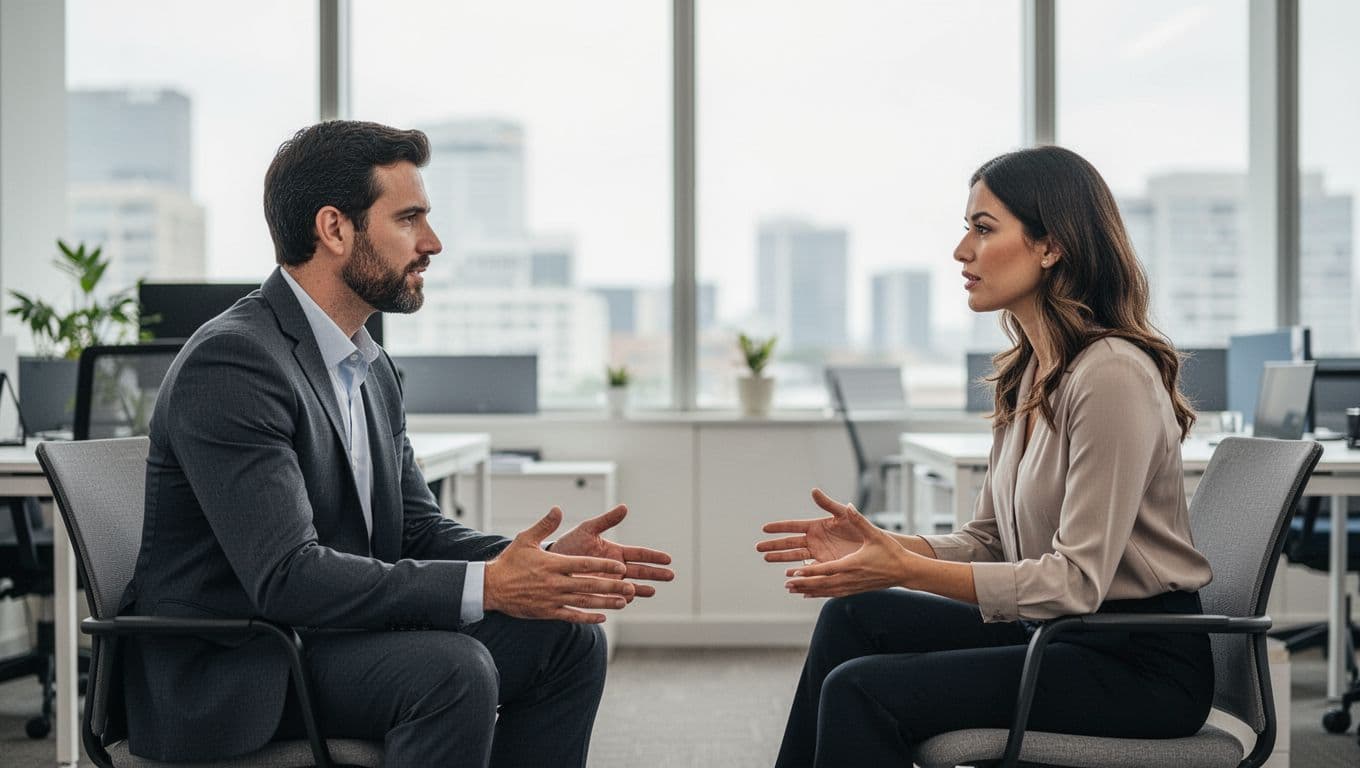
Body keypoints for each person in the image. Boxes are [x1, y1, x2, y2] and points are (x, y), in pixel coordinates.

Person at [120, 120, 674, 767]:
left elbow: (412, 527)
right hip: (241, 662)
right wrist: (490, 586)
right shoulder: (237, 362)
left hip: (329, 634)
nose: (432, 243)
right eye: (409, 219)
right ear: (334, 229)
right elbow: (287, 577)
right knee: (450, 670)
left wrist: (538, 565)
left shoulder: (368, 365)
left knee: (567, 641)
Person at [756, 145, 1214, 767]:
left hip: (1136, 663)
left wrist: (905, 570)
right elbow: (990, 540)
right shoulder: (1030, 372)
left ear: (1051, 246)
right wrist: (888, 549)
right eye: (966, 228)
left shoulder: (1110, 375)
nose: (961, 251)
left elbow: (1074, 582)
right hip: (1058, 636)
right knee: (853, 617)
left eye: (983, 228)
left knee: (862, 691)